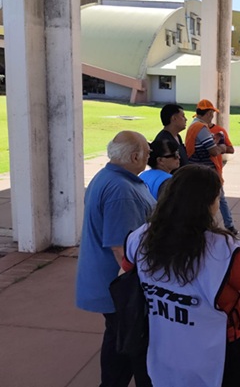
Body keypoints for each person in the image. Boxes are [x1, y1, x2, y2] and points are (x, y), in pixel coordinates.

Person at [123, 165, 240, 387]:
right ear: (209, 204)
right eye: (217, 197)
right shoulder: (226, 250)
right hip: (218, 348)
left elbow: (124, 278)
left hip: (161, 339)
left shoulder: (140, 236)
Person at [75, 130, 156, 387]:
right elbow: (122, 250)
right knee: (128, 344)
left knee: (119, 340)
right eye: (147, 151)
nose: (150, 155)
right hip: (120, 286)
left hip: (111, 284)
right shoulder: (121, 189)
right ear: (134, 156)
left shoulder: (110, 177)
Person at [185, 99, 239, 235]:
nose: (212, 116)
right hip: (206, 172)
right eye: (212, 113)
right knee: (213, 200)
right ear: (209, 113)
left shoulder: (193, 126)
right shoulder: (201, 128)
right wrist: (221, 147)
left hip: (197, 170)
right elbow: (213, 151)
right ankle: (212, 228)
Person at [154, 103, 188, 168]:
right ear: (174, 118)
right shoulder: (163, 141)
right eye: (183, 116)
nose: (186, 119)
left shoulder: (177, 136)